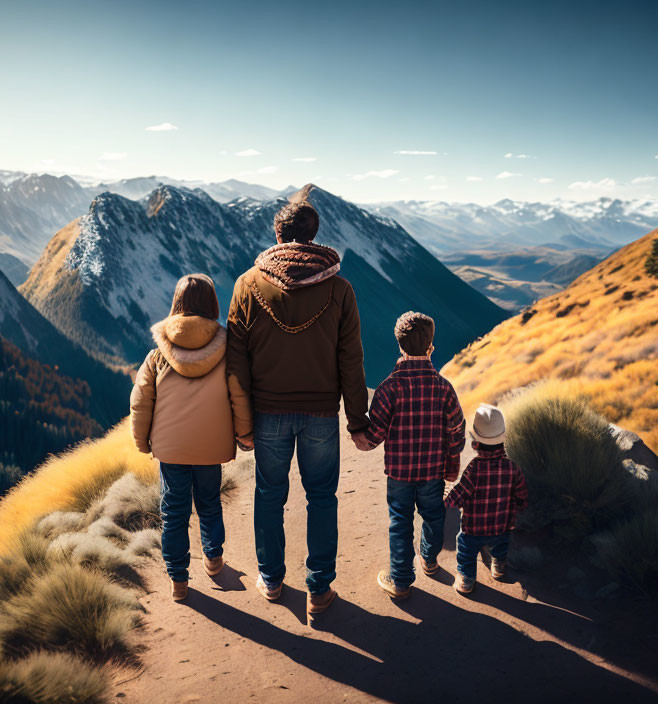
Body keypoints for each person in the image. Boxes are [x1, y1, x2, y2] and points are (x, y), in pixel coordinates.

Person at [226, 197, 369, 615]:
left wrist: (242, 423)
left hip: (267, 414)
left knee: (270, 495)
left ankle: (271, 580)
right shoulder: (340, 289)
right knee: (322, 497)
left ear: (278, 235)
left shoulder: (247, 285)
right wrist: (357, 421)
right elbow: (351, 360)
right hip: (322, 415)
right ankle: (319, 588)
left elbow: (237, 362)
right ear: (313, 235)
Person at [130, 274, 249, 601]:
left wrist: (142, 442)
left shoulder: (156, 356)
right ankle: (213, 559)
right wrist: (245, 434)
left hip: (171, 450)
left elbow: (141, 402)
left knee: (174, 513)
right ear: (212, 304)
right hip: (211, 448)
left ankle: (179, 580)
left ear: (177, 306)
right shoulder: (226, 352)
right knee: (209, 504)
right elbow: (239, 395)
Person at [362, 312, 466, 600]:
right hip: (433, 471)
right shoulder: (444, 388)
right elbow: (456, 429)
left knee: (400, 522)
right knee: (434, 516)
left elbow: (375, 435)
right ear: (431, 347)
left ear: (399, 346)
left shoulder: (388, 388)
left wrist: (360, 437)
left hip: (400, 473)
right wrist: (452, 459)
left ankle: (401, 580)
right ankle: (429, 560)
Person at [445, 403, 528, 594]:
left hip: (474, 529)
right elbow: (521, 493)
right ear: (503, 440)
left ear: (476, 443)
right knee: (501, 545)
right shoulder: (512, 467)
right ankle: (498, 567)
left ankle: (466, 579)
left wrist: (448, 498)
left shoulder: (474, 469)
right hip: (502, 526)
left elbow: (459, 496)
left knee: (465, 548)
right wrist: (521, 505)